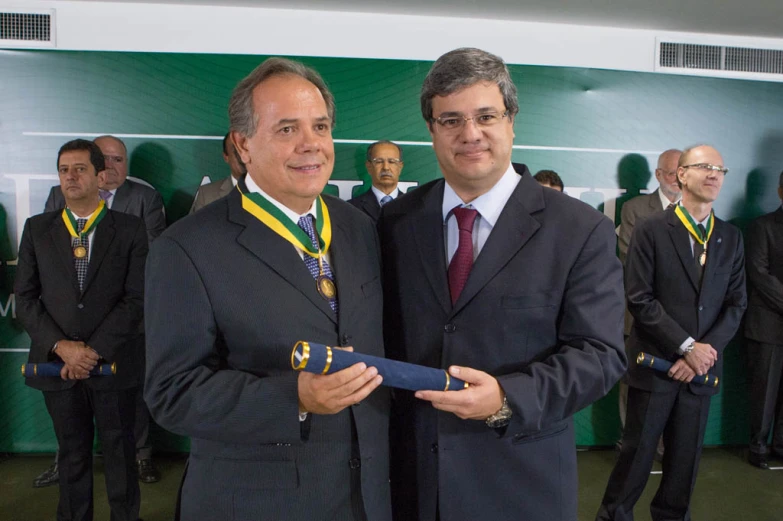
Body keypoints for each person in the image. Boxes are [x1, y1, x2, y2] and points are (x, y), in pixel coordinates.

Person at [379, 47, 626, 521]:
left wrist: (507, 398)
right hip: (413, 484)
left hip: (521, 482)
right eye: (450, 120)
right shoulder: (395, 222)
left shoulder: (579, 230)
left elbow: (600, 354)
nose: (470, 134)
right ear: (431, 130)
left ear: (512, 120)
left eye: (485, 116)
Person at [144, 57, 391, 521]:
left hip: (367, 498)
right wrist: (294, 397)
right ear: (243, 145)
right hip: (259, 502)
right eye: (286, 130)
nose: (310, 145)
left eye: (320, 126)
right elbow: (172, 393)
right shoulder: (186, 247)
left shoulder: (359, 226)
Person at [595, 145, 747, 521]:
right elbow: (640, 298)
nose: (714, 174)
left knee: (684, 465)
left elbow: (736, 304)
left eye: (720, 169)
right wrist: (686, 347)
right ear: (681, 175)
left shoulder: (731, 236)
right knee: (636, 457)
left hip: (701, 373)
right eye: (704, 167)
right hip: (655, 366)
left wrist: (702, 353)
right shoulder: (650, 230)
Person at [16, 139, 147, 521]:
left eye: (80, 169)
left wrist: (91, 352)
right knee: (71, 455)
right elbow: (25, 299)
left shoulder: (130, 229)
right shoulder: (37, 229)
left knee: (121, 454)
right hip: (57, 365)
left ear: (100, 175)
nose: (70, 177)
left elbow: (137, 299)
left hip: (114, 364)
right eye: (63, 170)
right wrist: (63, 348)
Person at [38, 134, 165, 486]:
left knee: (127, 405)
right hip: (66, 330)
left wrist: (98, 344)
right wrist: (67, 344)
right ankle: (62, 462)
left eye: (118, 160)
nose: (111, 167)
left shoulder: (144, 199)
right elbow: (48, 259)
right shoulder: (56, 199)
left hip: (121, 326)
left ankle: (141, 457)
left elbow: (152, 258)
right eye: (105, 159)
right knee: (68, 418)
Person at [615, 148, 682, 456]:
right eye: (672, 173)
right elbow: (631, 259)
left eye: (684, 173)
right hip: (641, 312)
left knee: (678, 382)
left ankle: (670, 444)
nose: (678, 180)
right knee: (634, 382)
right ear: (658, 175)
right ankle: (634, 445)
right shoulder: (635, 208)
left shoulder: (697, 210)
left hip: (684, 319)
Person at [744, 170, 783, 469]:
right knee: (764, 391)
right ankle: (757, 447)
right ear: (780, 191)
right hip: (768, 325)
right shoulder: (762, 226)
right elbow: (759, 274)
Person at [190, 133, 247, 213]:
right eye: (236, 151)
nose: (242, 157)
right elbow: (195, 225)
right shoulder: (207, 195)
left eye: (246, 149)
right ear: (226, 157)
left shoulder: (270, 190)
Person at [349, 140, 405, 221]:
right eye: (379, 161)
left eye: (391, 162)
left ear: (400, 167)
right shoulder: (352, 208)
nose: (386, 167)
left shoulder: (415, 207)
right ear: (369, 167)